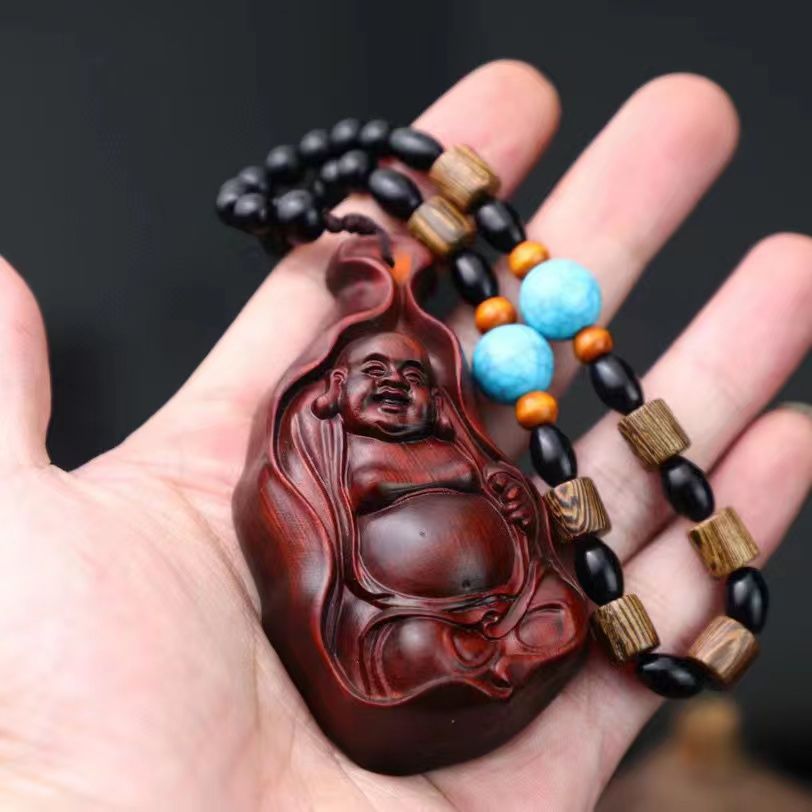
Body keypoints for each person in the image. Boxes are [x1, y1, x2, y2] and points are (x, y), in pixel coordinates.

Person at [0, 61, 808, 809]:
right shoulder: (329, 457)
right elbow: (310, 535)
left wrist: (508, 499)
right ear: (332, 396)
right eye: (373, 376)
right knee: (415, 654)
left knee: (566, 618)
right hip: (399, 616)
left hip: (507, 599)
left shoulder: (454, 440)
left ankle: (499, 652)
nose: (395, 385)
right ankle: (449, 662)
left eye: (413, 377)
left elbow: (513, 496)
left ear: (440, 389)